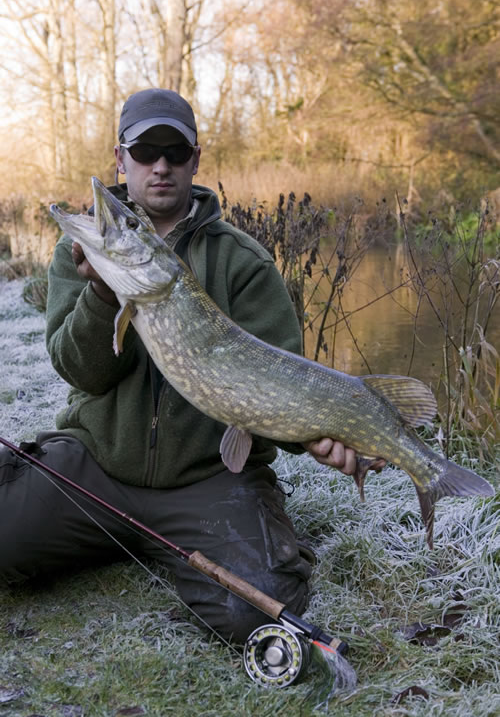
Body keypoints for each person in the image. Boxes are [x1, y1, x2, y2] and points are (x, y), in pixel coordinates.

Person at [0, 88, 365, 644]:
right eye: (145, 152)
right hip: (97, 464)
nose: (161, 165)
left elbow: (280, 380)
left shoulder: (242, 261)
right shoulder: (82, 250)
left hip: (207, 479)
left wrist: (321, 436)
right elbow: (80, 372)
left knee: (256, 618)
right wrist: (102, 296)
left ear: (197, 158)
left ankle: (240, 533)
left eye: (175, 150)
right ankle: (113, 530)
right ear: (121, 160)